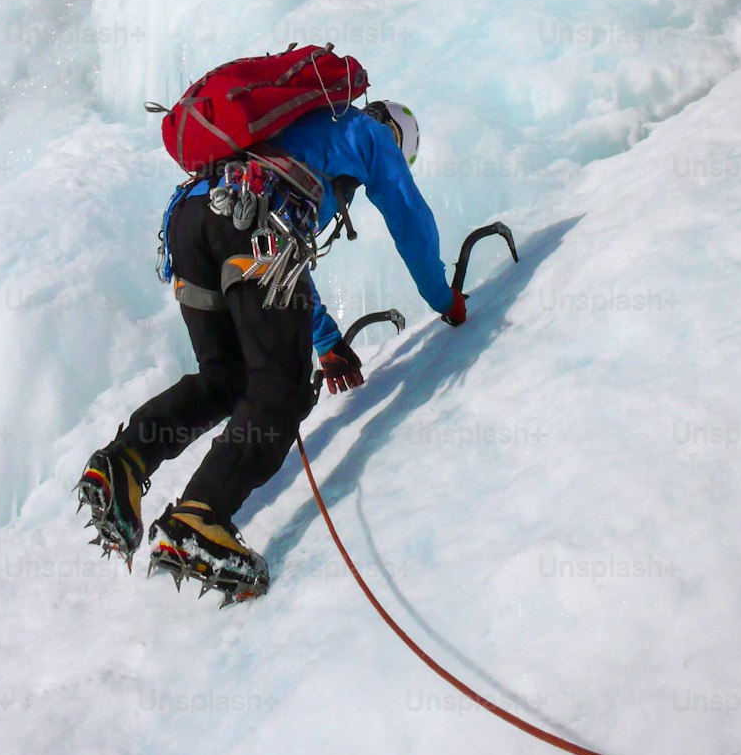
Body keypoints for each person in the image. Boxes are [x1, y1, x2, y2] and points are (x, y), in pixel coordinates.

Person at [77, 98, 466, 600]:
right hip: (250, 221)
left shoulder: (294, 127)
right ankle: (199, 519)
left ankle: (124, 460)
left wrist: (325, 340)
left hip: (190, 222)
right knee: (279, 390)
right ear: (396, 135)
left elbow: (286, 260)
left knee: (227, 377)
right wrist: (444, 299)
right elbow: (408, 219)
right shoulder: (369, 135)